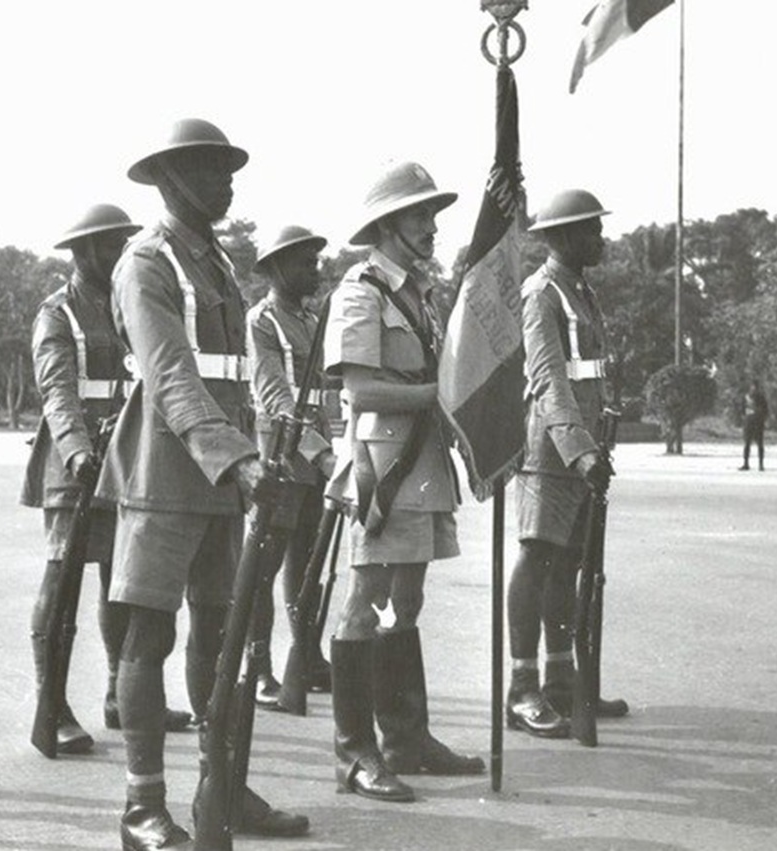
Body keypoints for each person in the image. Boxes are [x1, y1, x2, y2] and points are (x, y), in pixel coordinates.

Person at [96, 118, 308, 849]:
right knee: (148, 636)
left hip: (224, 475)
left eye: (227, 168)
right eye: (209, 169)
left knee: (220, 635)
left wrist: (259, 455)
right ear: (169, 179)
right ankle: (141, 806)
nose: (225, 181)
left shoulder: (216, 262)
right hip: (164, 472)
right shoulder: (145, 264)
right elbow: (170, 378)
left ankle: (221, 784)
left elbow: (241, 380)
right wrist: (240, 460)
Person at [323, 161, 484, 804]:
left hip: (421, 463)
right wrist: (438, 395)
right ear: (386, 224)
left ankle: (405, 738)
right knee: (364, 604)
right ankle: (354, 754)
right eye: (420, 215)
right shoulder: (359, 292)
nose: (432, 226)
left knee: (406, 602)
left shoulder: (420, 292)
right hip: (381, 468)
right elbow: (359, 390)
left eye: (433, 215)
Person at [20, 203, 192, 756]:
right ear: (82, 251)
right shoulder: (58, 313)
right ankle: (53, 706)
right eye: (109, 245)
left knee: (121, 583)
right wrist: (74, 452)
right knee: (62, 587)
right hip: (73, 468)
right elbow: (57, 394)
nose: (120, 252)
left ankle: (122, 695)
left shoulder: (129, 302)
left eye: (124, 242)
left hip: (124, 462)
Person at [506, 188, 629, 739]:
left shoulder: (580, 291)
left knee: (569, 566)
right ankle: (522, 688)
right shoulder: (542, 293)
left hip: (584, 450)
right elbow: (548, 379)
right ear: (559, 237)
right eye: (589, 230)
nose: (599, 238)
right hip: (550, 452)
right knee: (537, 560)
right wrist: (579, 450)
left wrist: (595, 445)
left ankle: (561, 680)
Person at [246, 225, 337, 707]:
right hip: (279, 453)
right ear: (278, 268)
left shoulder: (313, 319)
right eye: (306, 263)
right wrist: (319, 449)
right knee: (266, 563)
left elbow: (328, 392)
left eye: (316, 261)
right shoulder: (262, 321)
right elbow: (277, 397)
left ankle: (307, 654)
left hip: (315, 455)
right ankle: (257, 665)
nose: (315, 270)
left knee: (309, 561)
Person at [739, 379, 768, 471]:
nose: (753, 388)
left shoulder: (761, 398)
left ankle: (761, 464)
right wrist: (744, 419)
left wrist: (763, 419)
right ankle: (746, 464)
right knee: (747, 444)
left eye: (755, 386)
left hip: (758, 423)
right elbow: (742, 409)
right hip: (748, 422)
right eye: (752, 386)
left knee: (760, 444)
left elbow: (766, 410)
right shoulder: (746, 397)